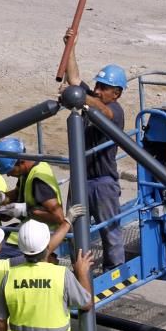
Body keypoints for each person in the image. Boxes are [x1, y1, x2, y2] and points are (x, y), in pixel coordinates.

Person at [61, 39, 128, 270]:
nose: (97, 90)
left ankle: (115, 269)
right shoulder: (94, 99)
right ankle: (78, 269)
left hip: (102, 182)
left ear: (116, 93)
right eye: (97, 85)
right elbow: (75, 79)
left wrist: (77, 96)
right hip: (80, 178)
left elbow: (105, 112)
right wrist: (70, 47)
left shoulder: (115, 111)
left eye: (103, 88)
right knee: (72, 228)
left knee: (109, 228)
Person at [0, 136, 65, 260]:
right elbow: (18, 193)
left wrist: (26, 210)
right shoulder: (26, 172)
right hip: (30, 230)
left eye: (10, 170)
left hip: (40, 237)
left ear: (20, 162)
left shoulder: (38, 180)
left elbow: (58, 217)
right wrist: (3, 197)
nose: (9, 175)